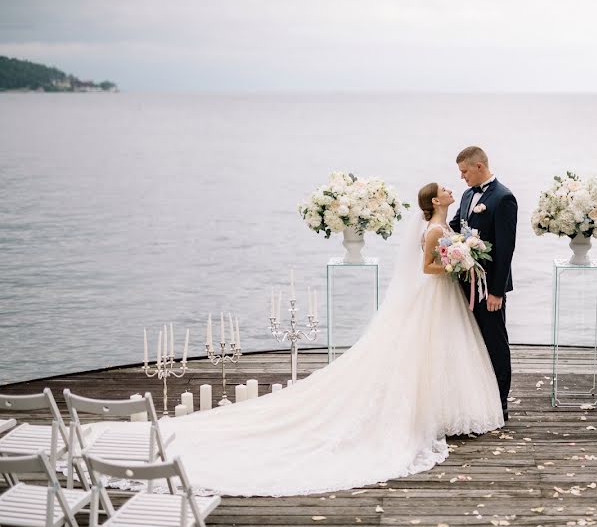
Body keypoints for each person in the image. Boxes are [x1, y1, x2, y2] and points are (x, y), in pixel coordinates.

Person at [89, 181, 503, 497]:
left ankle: (443, 409)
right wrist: (453, 262)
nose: (452, 188)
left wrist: (460, 252)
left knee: (441, 354)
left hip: (440, 299)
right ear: (434, 201)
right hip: (433, 293)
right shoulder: (432, 230)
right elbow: (426, 268)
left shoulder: (443, 223)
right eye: (445, 189)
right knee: (423, 352)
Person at [449, 146, 517, 421]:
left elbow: (506, 249)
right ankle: (477, 400)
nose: (462, 177)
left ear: (479, 166)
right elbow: (456, 226)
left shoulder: (504, 198)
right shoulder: (467, 195)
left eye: (465, 171)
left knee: (495, 342)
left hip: (489, 287)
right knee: (472, 341)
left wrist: (497, 291)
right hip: (466, 282)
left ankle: (500, 404)